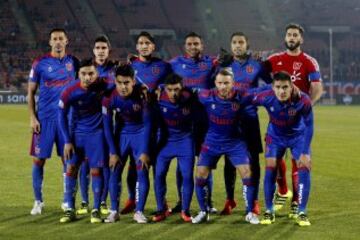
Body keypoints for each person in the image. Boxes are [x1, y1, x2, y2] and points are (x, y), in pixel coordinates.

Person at [264, 23, 322, 215]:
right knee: (275, 159)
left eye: (295, 35)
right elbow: (259, 75)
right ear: (285, 37)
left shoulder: (309, 61)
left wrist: (305, 108)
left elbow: (317, 87)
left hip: (299, 122)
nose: (291, 38)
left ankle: (297, 202)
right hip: (278, 119)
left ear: (301, 39)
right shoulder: (275, 59)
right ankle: (282, 191)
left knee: (299, 161)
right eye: (289, 34)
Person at [191, 68, 260, 224]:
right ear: (215, 83)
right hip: (212, 141)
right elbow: (187, 91)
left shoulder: (242, 96)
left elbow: (261, 91)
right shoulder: (205, 95)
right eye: (220, 83)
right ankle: (203, 211)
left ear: (233, 83)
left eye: (227, 83)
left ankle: (250, 213)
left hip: (235, 142)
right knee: (200, 174)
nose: (223, 87)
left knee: (247, 173)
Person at [219, 32, 271, 215]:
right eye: (234, 42)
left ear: (247, 44)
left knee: (254, 161)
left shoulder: (256, 65)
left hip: (249, 119)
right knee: (229, 161)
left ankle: (254, 201)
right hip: (229, 119)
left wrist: (258, 95)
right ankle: (229, 199)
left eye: (241, 42)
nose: (237, 45)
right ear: (231, 45)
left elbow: (272, 83)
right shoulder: (224, 65)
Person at [120, 31, 172, 215]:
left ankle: (162, 204)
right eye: (141, 43)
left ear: (153, 46)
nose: (144, 46)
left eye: (147, 43)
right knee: (134, 165)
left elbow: (174, 83)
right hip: (137, 124)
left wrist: (161, 87)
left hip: (159, 122)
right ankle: (131, 200)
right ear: (136, 47)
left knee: (158, 166)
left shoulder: (164, 66)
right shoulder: (130, 66)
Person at [28, 28, 78, 215]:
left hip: (67, 120)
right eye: (54, 39)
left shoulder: (74, 62)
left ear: (67, 41)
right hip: (45, 120)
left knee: (68, 161)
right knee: (39, 160)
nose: (58, 42)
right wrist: (32, 117)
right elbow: (31, 93)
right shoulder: (40, 63)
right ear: (50, 42)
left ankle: (66, 201)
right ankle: (38, 201)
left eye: (61, 39)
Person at [58, 58, 113, 223]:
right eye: (84, 74)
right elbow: (60, 116)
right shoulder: (70, 90)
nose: (87, 77)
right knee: (71, 169)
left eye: (91, 73)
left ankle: (95, 209)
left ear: (97, 73)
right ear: (78, 74)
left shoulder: (104, 85)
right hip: (76, 136)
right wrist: (67, 141)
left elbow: (123, 82)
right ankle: (70, 209)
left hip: (96, 135)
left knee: (96, 171)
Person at [255, 71, 313, 227]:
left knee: (304, 167)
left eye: (285, 87)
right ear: (272, 87)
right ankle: (269, 210)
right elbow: (247, 97)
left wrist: (306, 152)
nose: (282, 91)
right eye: (278, 87)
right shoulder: (265, 96)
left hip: (298, 137)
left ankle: (302, 211)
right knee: (270, 168)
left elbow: (309, 125)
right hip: (275, 137)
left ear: (291, 86)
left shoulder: (303, 99)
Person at [170, 32, 217, 213]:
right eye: (189, 44)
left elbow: (227, 70)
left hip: (205, 120)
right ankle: (181, 201)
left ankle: (209, 202)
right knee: (183, 163)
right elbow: (160, 78)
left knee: (205, 162)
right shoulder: (174, 64)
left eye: (196, 44)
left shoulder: (211, 63)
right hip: (182, 121)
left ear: (202, 45)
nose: (193, 47)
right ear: (185, 46)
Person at [102, 64, 152, 223]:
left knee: (142, 171)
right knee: (114, 170)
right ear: (115, 82)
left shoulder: (143, 95)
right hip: (121, 135)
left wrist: (144, 150)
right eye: (119, 83)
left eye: (127, 83)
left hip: (140, 134)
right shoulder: (108, 97)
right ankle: (114, 211)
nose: (123, 87)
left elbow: (148, 124)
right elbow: (107, 126)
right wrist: (112, 152)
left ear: (133, 81)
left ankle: (139, 211)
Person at [77, 35, 116, 216]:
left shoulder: (114, 69)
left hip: (107, 124)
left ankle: (102, 201)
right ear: (94, 51)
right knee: (85, 164)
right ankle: (84, 201)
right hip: (86, 126)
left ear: (108, 50)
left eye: (104, 48)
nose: (101, 51)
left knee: (106, 165)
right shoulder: (87, 69)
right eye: (98, 48)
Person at [152, 73, 195, 223]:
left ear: (182, 88)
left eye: (176, 89)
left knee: (187, 175)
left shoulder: (191, 97)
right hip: (166, 142)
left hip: (185, 141)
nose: (173, 93)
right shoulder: (157, 98)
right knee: (159, 174)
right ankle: (160, 208)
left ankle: (186, 210)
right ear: (165, 88)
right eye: (169, 89)